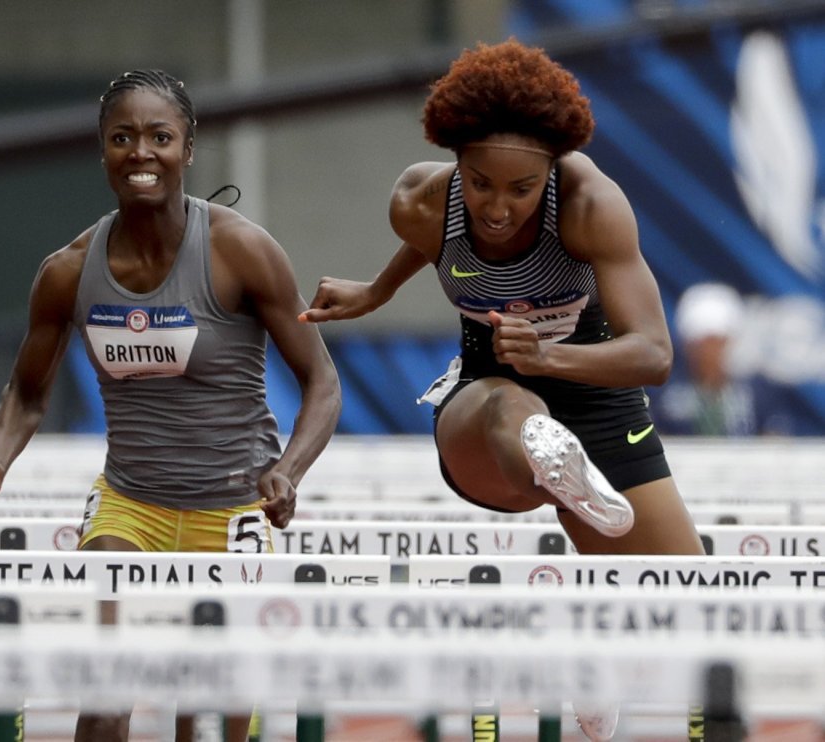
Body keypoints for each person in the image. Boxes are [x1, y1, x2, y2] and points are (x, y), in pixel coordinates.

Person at [300, 39, 704, 741]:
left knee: (693, 606)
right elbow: (434, 242)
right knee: (511, 412)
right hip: (491, 385)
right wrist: (374, 291)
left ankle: (593, 635)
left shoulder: (589, 206)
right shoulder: (418, 204)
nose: (496, 207)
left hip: (591, 375)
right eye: (481, 182)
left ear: (551, 173)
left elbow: (653, 354)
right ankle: (551, 463)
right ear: (457, 163)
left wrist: (550, 357)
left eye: (521, 190)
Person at [0, 69, 341, 742]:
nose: (141, 153)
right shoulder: (68, 271)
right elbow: (27, 390)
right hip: (131, 504)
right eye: (122, 137)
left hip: (235, 506)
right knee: (108, 686)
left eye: (160, 136)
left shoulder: (239, 250)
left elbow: (322, 384)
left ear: (188, 149)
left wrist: (288, 471)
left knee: (209, 715)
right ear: (101, 151)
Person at [651, 281, 793, 436]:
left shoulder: (758, 392)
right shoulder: (666, 395)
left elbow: (775, 441)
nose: (711, 351)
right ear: (687, 344)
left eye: (718, 341)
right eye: (702, 342)